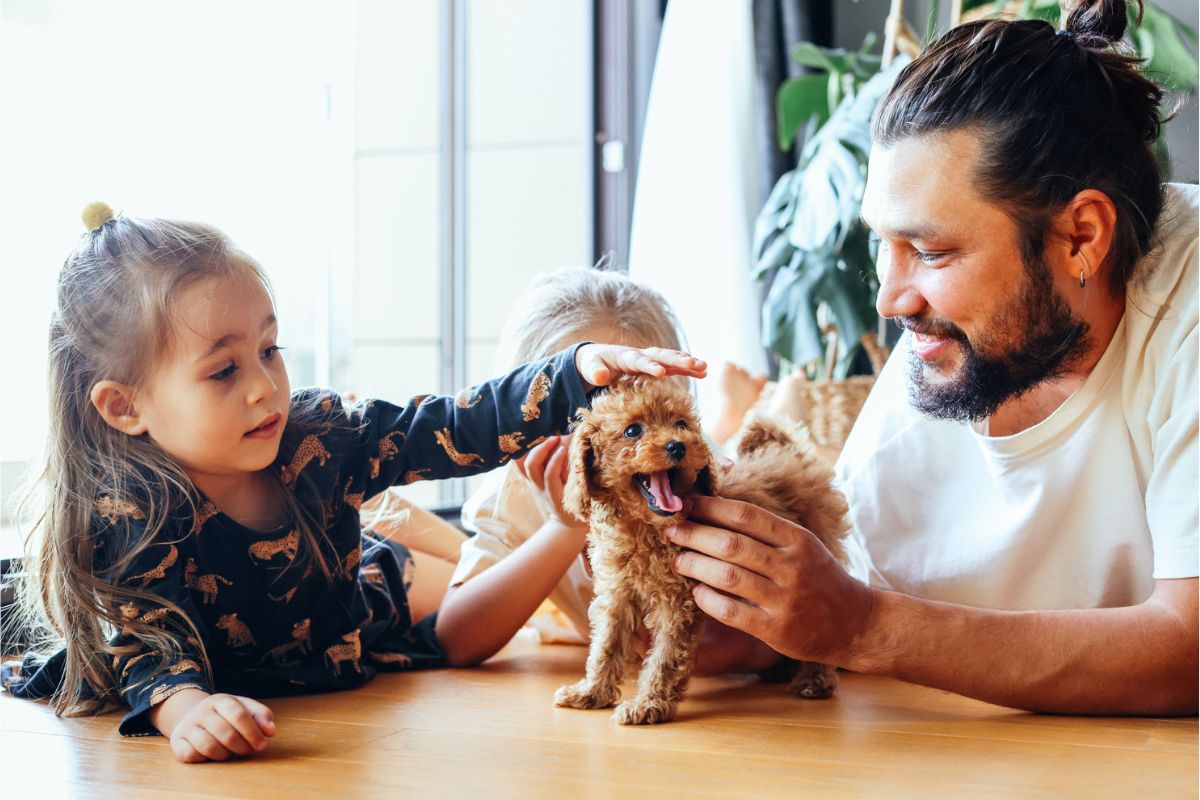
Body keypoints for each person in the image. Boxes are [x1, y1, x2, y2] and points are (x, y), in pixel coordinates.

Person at [2, 205, 705, 763]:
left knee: (423, 574)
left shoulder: (319, 436)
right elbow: (144, 637)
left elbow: (453, 425)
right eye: (224, 370)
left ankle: (402, 534)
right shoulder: (126, 508)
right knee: (439, 563)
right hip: (249, 635)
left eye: (270, 350)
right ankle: (409, 533)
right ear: (125, 407)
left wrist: (573, 372)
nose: (265, 387)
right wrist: (188, 709)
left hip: (345, 610)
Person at [669, 0, 1198, 715]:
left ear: (1081, 236)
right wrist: (751, 617)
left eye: (930, 251)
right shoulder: (954, 342)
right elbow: (857, 595)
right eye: (882, 245)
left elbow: (1187, 651)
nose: (890, 300)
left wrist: (860, 629)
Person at [436, 267, 779, 673]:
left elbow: (731, 642)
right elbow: (455, 640)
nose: (602, 431)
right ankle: (735, 413)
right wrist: (564, 528)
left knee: (769, 447)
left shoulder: (696, 485)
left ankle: (757, 410)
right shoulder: (515, 494)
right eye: (581, 405)